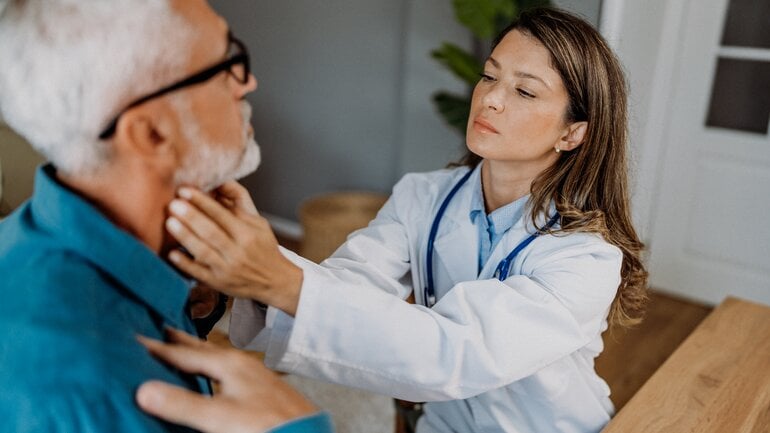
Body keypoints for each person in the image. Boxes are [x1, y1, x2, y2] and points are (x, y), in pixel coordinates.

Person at [151, 7, 649, 433]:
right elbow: (354, 281)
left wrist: (277, 277)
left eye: (525, 92)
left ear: (573, 134)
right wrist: (245, 278)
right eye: (491, 75)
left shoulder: (585, 255)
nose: (491, 98)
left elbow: (458, 352)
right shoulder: (423, 195)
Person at [0, 0, 331, 431]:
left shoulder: (36, 235)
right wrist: (297, 427)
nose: (247, 82)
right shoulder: (92, 387)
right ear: (151, 133)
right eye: (226, 63)